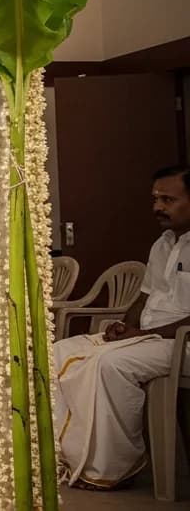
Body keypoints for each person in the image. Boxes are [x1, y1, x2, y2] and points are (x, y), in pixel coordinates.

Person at [54, 165, 190, 490]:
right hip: (150, 339)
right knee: (59, 350)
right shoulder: (163, 244)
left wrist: (140, 335)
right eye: (155, 199)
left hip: (182, 342)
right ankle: (70, 456)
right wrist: (122, 325)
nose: (158, 207)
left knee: (108, 363)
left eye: (168, 199)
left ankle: (110, 468)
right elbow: (145, 298)